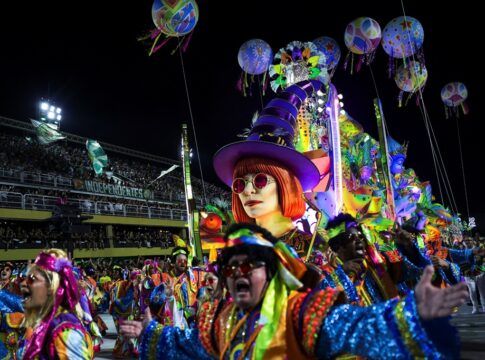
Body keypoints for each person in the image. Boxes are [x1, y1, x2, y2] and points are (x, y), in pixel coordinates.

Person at [120, 223, 468, 359]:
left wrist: (410, 312)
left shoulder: (299, 312)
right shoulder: (222, 320)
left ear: (270, 273)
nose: (238, 274)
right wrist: (150, 332)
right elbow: (188, 345)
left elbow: (353, 325)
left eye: (248, 266)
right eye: (230, 267)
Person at [213, 80, 323, 258]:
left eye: (260, 180)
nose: (248, 191)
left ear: (285, 183)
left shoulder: (315, 251)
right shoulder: (236, 253)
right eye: (239, 185)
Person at [17, 249, 93, 359]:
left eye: (33, 279)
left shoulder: (64, 330)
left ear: (51, 286)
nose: (23, 284)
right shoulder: (47, 322)